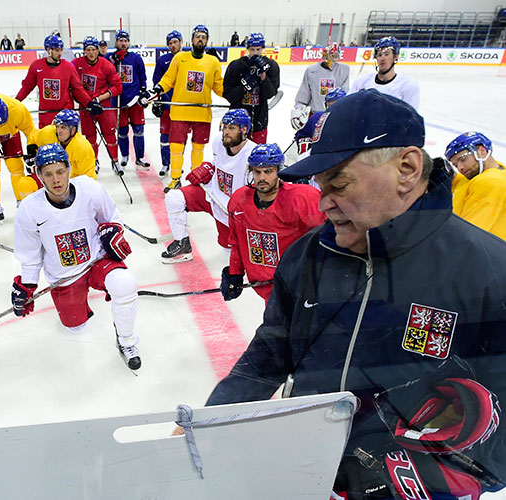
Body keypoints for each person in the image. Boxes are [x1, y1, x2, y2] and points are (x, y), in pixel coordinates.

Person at [205, 90, 506, 499]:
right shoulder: (308, 255)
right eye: (318, 184)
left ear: (407, 168)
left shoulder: (488, 272)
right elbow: (272, 350)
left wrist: (450, 475)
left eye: (339, 183)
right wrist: (211, 420)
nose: (323, 202)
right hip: (309, 473)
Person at [12, 143, 141, 370]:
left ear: (69, 169)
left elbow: (111, 216)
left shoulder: (90, 189)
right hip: (65, 275)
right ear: (39, 175)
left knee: (125, 284)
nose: (56, 179)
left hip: (97, 261)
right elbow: (30, 255)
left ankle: (127, 341)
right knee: (75, 326)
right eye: (48, 174)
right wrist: (27, 285)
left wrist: (114, 231)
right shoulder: (29, 209)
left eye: (61, 171)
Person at [219, 144, 324, 302]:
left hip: (299, 287)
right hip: (265, 287)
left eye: (268, 171)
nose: (262, 178)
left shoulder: (302, 199)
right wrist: (235, 273)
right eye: (257, 171)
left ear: (278, 171)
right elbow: (237, 242)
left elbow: (327, 236)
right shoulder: (239, 200)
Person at [161, 109, 255, 263]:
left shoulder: (252, 155)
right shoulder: (219, 142)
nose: (226, 132)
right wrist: (209, 167)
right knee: (174, 197)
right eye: (224, 127)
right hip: (211, 194)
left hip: (229, 211)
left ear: (244, 130)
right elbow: (217, 161)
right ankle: (182, 243)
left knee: (230, 253)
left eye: (231, 128)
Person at [142, 24, 224, 192]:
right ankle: (175, 179)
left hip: (202, 113)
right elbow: (167, 80)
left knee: (198, 149)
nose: (200, 39)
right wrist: (154, 92)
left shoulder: (213, 61)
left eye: (204, 37)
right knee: (176, 148)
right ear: (191, 39)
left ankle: (196, 179)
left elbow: (219, 87)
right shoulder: (180, 58)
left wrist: (235, 93)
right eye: (197, 36)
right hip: (180, 112)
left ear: (207, 40)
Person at [15, 34, 96, 128]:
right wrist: (16, 102)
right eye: (57, 50)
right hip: (46, 114)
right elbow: (27, 87)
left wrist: (89, 103)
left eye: (61, 50)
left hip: (66, 114)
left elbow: (78, 89)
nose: (60, 53)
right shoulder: (36, 66)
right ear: (49, 50)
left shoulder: (68, 67)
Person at [71, 36, 123, 172]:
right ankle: (93, 161)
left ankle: (115, 161)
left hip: (104, 106)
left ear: (98, 49)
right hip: (85, 106)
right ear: (84, 51)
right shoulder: (77, 64)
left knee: (110, 135)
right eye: (88, 49)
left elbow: (118, 87)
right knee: (90, 137)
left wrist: (100, 98)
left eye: (94, 49)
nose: (91, 52)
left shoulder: (106, 65)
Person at [21, 109, 96, 197]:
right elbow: (32, 136)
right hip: (49, 179)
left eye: (63, 127)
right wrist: (32, 151)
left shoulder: (83, 147)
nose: (58, 131)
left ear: (73, 129)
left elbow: (88, 179)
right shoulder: (49, 132)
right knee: (24, 184)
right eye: (58, 126)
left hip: (69, 186)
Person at [446, 131, 506, 240]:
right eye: (455, 165)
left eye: (463, 159)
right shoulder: (489, 172)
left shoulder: (491, 183)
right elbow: (466, 185)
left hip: (480, 253)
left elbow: (469, 232)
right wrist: (451, 177)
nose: (460, 168)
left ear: (482, 151)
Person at [222, 32, 280, 145]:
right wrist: (244, 86)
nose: (255, 53)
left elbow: (270, 94)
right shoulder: (236, 66)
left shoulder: (271, 66)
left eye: (258, 49)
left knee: (257, 154)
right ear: (247, 49)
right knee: (235, 152)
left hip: (259, 119)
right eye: (252, 49)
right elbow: (228, 94)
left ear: (263, 48)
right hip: (236, 120)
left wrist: (263, 77)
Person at [107, 30, 148, 172]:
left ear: (129, 42)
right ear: (116, 42)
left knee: (138, 130)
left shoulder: (136, 58)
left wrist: (143, 92)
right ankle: (124, 155)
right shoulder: (109, 58)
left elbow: (142, 76)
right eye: (120, 41)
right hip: (118, 101)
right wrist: (114, 60)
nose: (123, 43)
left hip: (135, 100)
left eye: (125, 41)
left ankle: (140, 157)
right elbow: (105, 74)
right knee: (122, 131)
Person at [290, 42, 350, 131]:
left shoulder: (344, 70)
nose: (334, 59)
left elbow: (344, 96)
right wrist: (299, 111)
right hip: (315, 117)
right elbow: (302, 97)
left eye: (336, 56)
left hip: (335, 117)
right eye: (332, 56)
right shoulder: (312, 70)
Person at [350, 36, 419, 110]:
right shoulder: (361, 82)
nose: (382, 58)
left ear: (395, 57)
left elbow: (411, 117)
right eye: (379, 55)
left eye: (386, 54)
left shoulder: (408, 85)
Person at [151, 30, 183, 178]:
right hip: (166, 105)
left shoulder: (186, 59)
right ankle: (165, 163)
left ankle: (178, 163)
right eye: (170, 43)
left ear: (181, 42)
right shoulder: (163, 60)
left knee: (180, 138)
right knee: (165, 137)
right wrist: (158, 100)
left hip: (182, 107)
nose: (173, 45)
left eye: (175, 42)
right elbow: (157, 81)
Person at [294, 87, 346, 158]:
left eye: (336, 106)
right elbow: (301, 135)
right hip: (317, 160)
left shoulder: (351, 121)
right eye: (329, 106)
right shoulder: (317, 117)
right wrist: (305, 147)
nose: (332, 110)